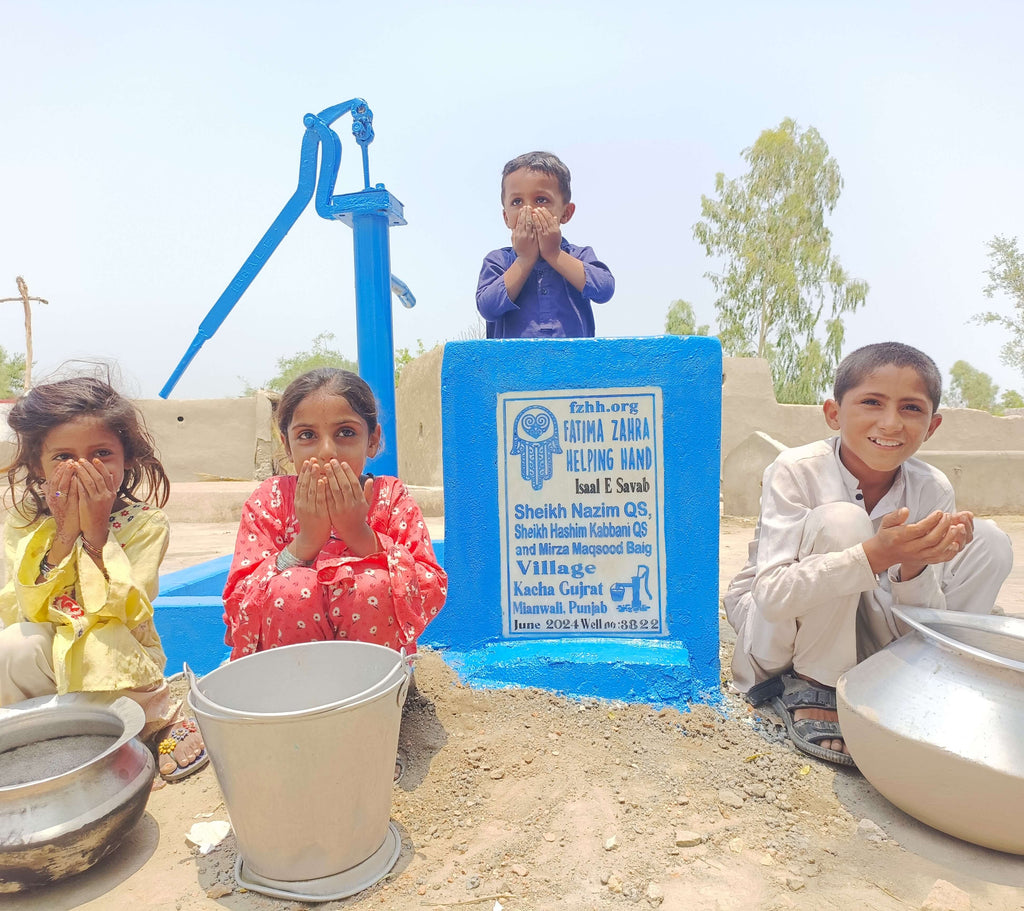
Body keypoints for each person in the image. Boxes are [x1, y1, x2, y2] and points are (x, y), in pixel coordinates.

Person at [723, 342, 1013, 767]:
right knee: (843, 521)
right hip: (783, 634)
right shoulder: (795, 469)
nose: (891, 423)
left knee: (990, 541)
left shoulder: (932, 488)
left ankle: (926, 678)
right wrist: (872, 555)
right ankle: (815, 683)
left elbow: (922, 615)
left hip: (874, 635)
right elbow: (773, 597)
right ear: (834, 414)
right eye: (872, 403)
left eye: (911, 409)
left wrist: (914, 567)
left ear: (931, 427)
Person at [0, 375, 208, 783]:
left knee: (96, 640)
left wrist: (96, 535)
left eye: (101, 454)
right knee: (13, 647)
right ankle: (28, 745)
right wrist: (63, 535)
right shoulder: (24, 521)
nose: (82, 469)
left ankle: (157, 722)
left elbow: (123, 611)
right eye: (63, 457)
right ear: (36, 465)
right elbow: (20, 607)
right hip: (49, 665)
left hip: (119, 658)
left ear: (126, 458)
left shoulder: (144, 524)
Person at [222, 368, 447, 658]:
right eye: (307, 435)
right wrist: (305, 543)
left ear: (373, 440)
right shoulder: (270, 500)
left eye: (345, 433)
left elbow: (430, 586)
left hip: (374, 677)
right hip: (289, 676)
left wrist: (361, 536)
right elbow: (239, 599)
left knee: (372, 585)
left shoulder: (390, 499)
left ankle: (377, 689)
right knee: (291, 588)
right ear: (286, 445)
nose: (327, 451)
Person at [476, 150, 614, 339]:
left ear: (566, 213)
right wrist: (524, 261)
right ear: (506, 217)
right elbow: (488, 308)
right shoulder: (498, 261)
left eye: (541, 200)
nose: (528, 209)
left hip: (571, 364)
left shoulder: (578, 255)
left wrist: (553, 254)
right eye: (517, 201)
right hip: (516, 366)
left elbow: (604, 289)